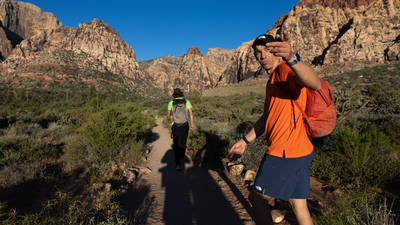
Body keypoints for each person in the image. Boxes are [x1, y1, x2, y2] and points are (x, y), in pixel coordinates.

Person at [227, 30, 321, 225]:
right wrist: (245, 141)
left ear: (276, 52)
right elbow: (267, 117)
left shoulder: (285, 70)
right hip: (301, 151)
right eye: (258, 52)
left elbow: (315, 83)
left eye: (268, 50)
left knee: (257, 199)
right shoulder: (272, 80)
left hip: (284, 153)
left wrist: (292, 59)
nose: (263, 56)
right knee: (299, 207)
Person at [167, 88, 194, 171]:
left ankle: (177, 164)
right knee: (183, 142)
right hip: (185, 125)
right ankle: (182, 157)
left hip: (176, 125)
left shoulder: (171, 103)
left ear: (174, 95)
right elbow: (191, 113)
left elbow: (168, 114)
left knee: (176, 144)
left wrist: (169, 120)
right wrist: (192, 124)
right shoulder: (186, 101)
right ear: (181, 94)